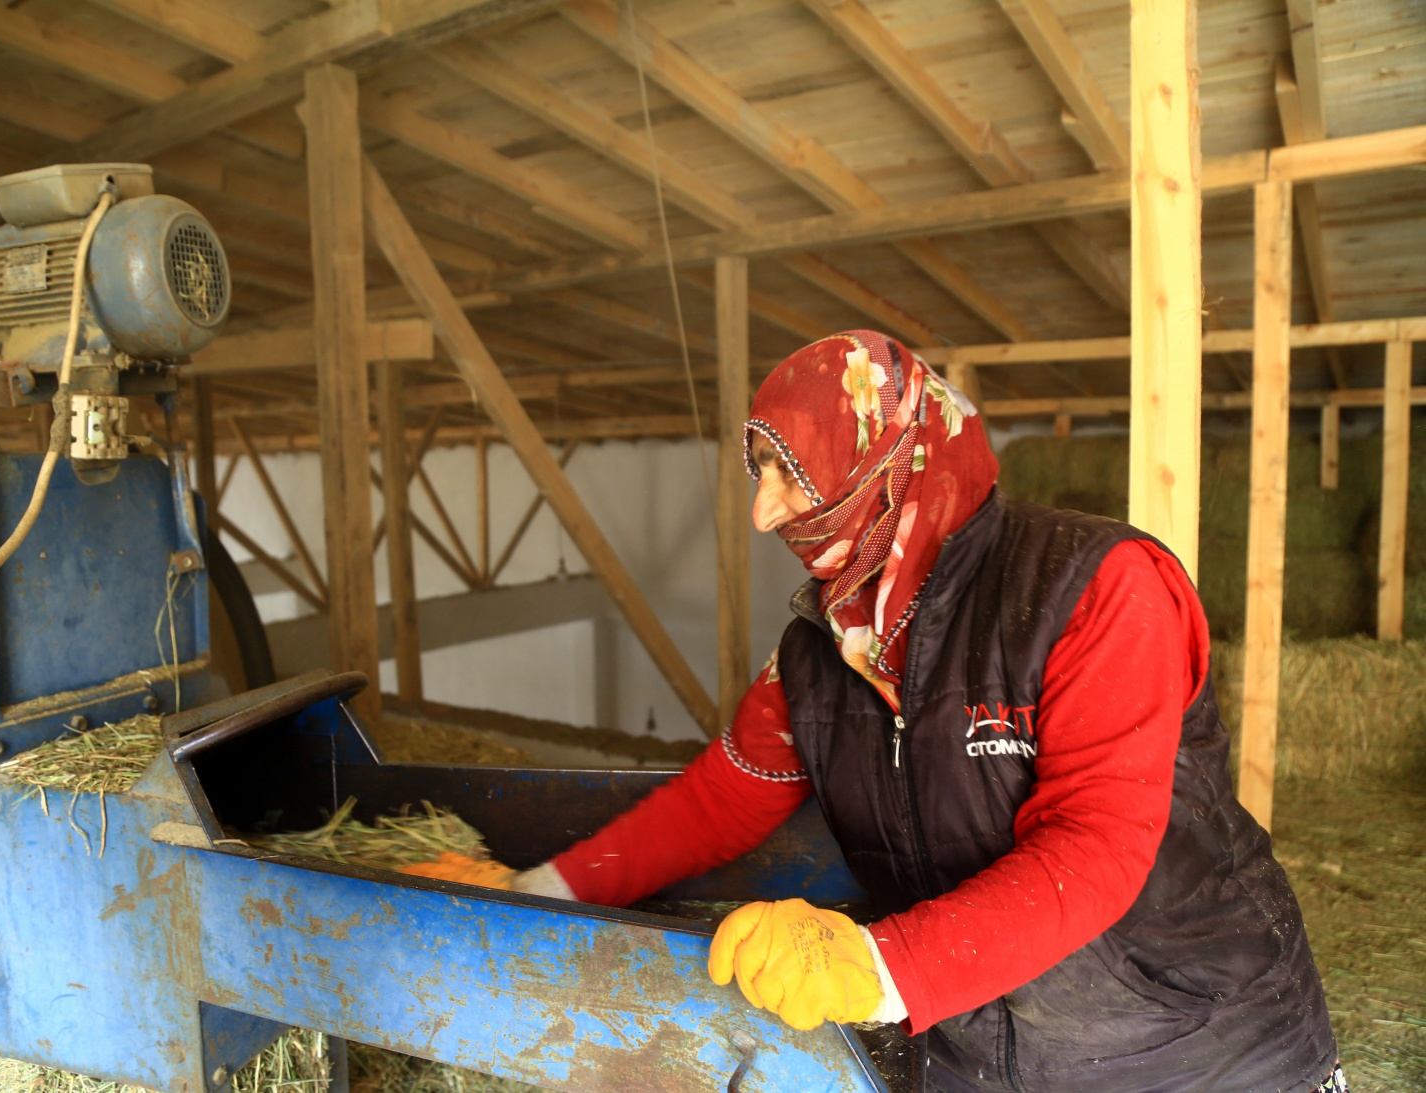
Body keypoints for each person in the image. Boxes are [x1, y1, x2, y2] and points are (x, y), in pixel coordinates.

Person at [404, 331, 1343, 1092]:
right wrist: (534, 893)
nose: (767, 514)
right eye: (758, 475)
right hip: (982, 1056)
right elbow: (715, 802)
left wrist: (877, 966)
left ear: (894, 461)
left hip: (1198, 1047)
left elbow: (1096, 847)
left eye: (789, 474)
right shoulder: (825, 650)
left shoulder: (1096, 589)